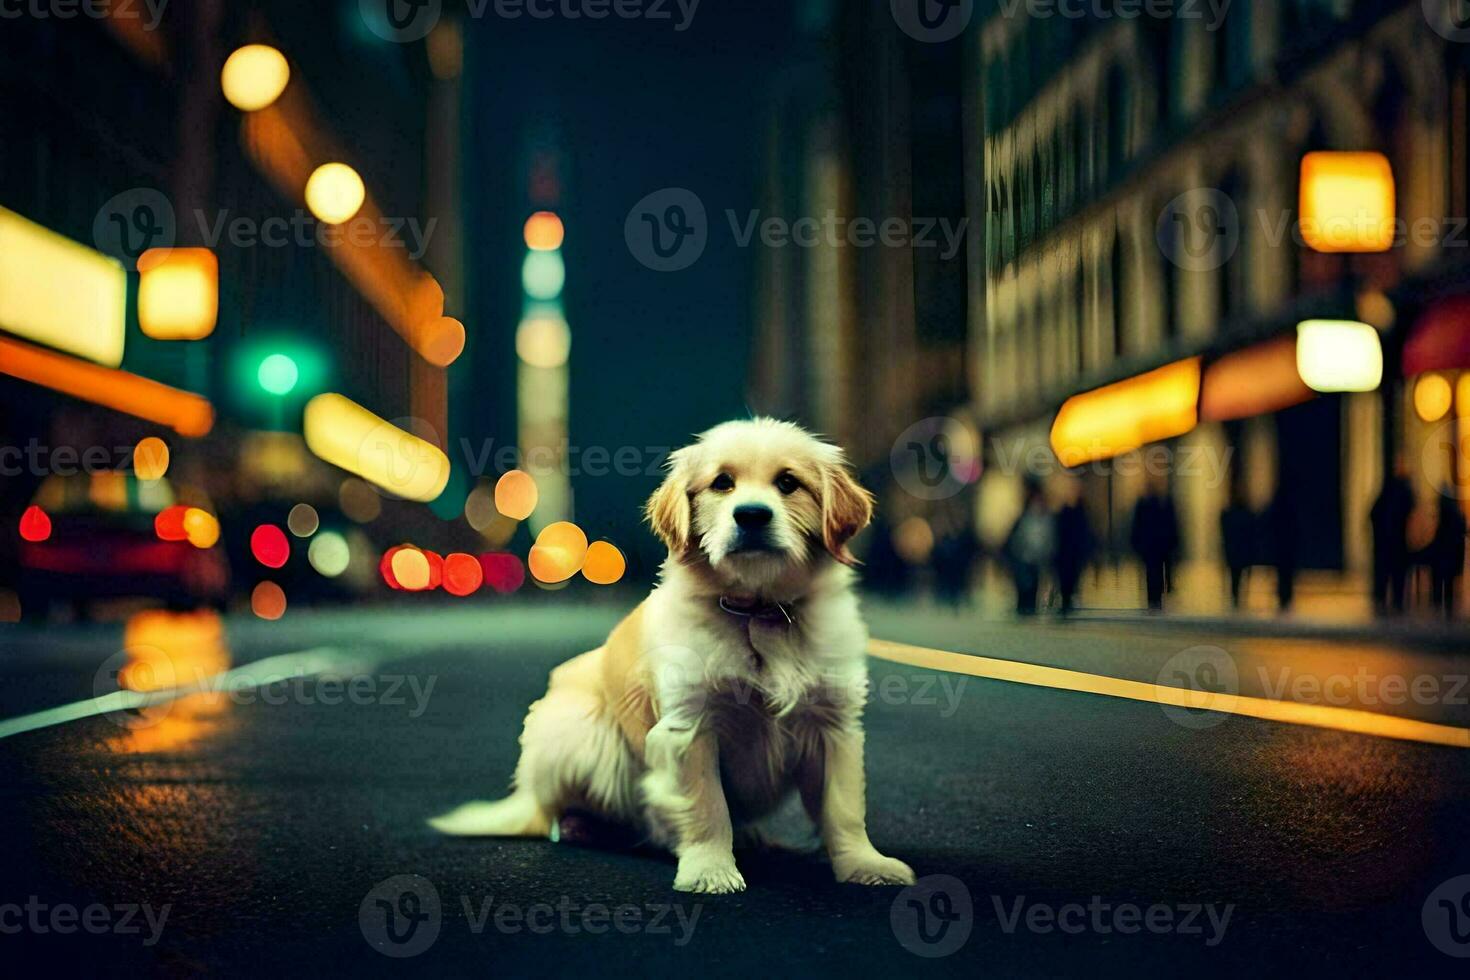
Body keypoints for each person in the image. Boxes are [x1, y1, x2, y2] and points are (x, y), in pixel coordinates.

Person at [1369, 461, 1415, 615]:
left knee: (1393, 573)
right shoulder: (1394, 490)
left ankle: (1393, 601)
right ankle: (1386, 600)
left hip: (1395, 541)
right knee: (1389, 573)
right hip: (1391, 541)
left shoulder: (1402, 491)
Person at [1130, 474, 1179, 612]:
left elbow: (1171, 525)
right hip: (1152, 546)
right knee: (1152, 572)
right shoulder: (1150, 503)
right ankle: (1154, 598)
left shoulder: (1161, 503)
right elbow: (1137, 526)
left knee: (1155, 572)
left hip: (1158, 545)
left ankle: (1156, 598)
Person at [1005, 479, 1054, 616]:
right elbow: (1014, 541)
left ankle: (1029, 614)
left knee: (1033, 590)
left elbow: (1049, 540)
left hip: (1037, 561)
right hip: (1023, 560)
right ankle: (1024, 614)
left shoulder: (1046, 519)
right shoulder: (1024, 519)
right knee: (1024, 590)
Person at [1053, 481, 1092, 615]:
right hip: (1064, 554)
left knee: (1073, 579)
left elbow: (1086, 533)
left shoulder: (1081, 511)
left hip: (1075, 553)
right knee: (1065, 581)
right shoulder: (1064, 512)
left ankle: (1068, 601)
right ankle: (1065, 602)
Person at [1428, 491, 1467, 618]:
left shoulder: (1445, 517)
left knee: (1440, 581)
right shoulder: (1457, 515)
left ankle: (1439, 604)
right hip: (1451, 555)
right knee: (1448, 583)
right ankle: (1447, 607)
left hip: (1444, 555)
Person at [1219, 485, 1256, 609]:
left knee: (1235, 576)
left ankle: (1235, 596)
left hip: (1235, 550)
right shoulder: (1246, 515)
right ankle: (1237, 596)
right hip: (1241, 550)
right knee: (1239, 575)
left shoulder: (1229, 514)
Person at [1266, 487, 1297, 612]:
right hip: (1285, 549)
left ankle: (1284, 599)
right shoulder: (1289, 512)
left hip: (1282, 549)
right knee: (1286, 576)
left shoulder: (1278, 512)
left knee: (1283, 576)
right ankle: (1285, 599)